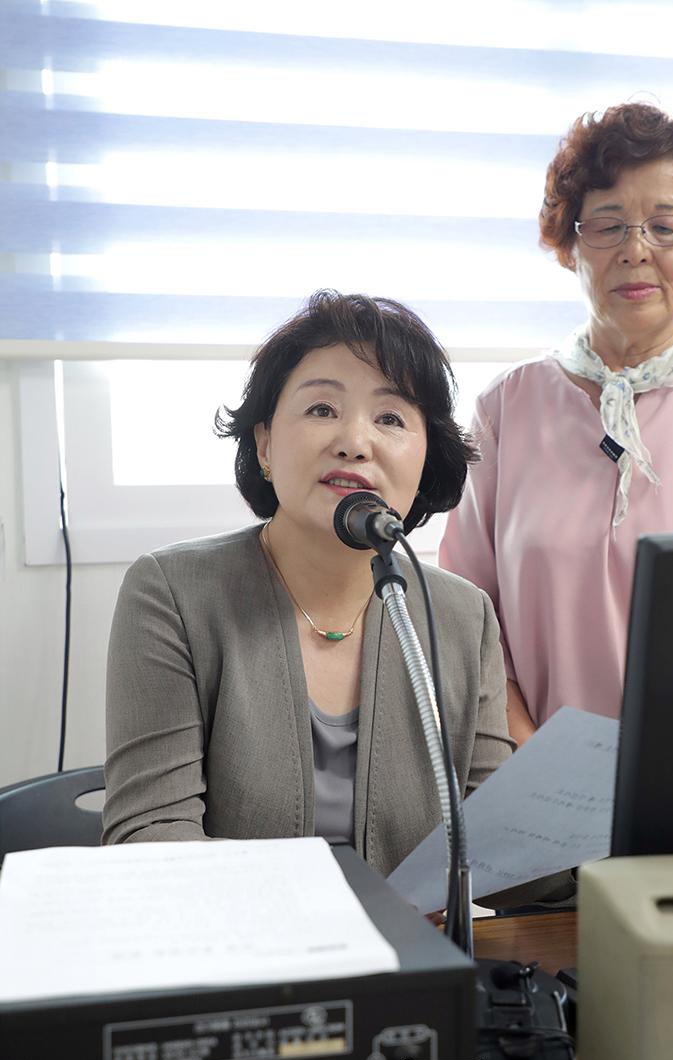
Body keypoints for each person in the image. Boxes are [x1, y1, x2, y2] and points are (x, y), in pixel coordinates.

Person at [102, 290, 513, 887]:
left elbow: (501, 847)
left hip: (412, 966)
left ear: (425, 461)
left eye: (391, 418)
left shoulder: (460, 615)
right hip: (241, 964)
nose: (354, 440)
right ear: (265, 444)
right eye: (322, 408)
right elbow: (151, 838)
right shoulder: (171, 593)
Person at [439, 102, 673, 743]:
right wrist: (526, 753)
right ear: (572, 244)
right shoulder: (506, 406)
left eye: (665, 226)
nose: (636, 250)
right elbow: (463, 617)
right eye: (608, 225)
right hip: (528, 773)